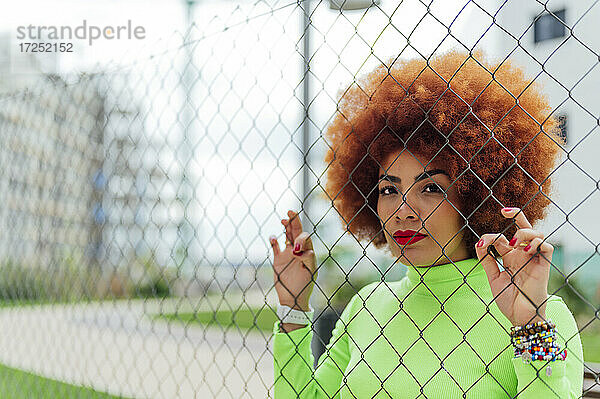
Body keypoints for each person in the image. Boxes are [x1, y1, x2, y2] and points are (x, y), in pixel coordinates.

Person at [268, 49, 583, 398]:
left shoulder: (540, 313)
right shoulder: (367, 305)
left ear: (477, 194)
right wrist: (293, 308)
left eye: (431, 188)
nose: (403, 209)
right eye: (389, 188)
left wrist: (529, 327)